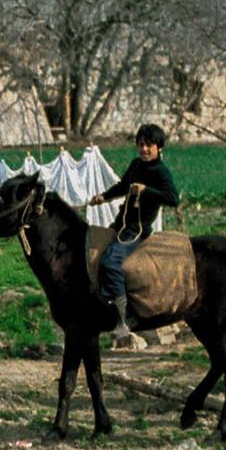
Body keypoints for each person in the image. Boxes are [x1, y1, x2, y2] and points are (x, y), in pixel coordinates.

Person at [88, 123, 179, 343]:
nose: (144, 149)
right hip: (121, 225)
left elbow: (173, 199)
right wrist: (104, 197)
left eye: (149, 145)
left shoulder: (160, 171)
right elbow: (123, 186)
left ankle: (123, 320)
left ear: (159, 147)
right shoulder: (136, 164)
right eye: (141, 145)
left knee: (110, 262)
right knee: (93, 255)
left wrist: (147, 190)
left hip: (137, 231)